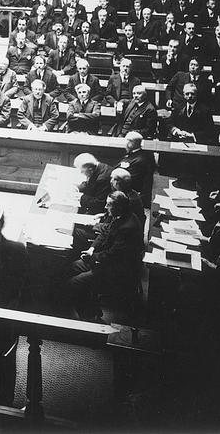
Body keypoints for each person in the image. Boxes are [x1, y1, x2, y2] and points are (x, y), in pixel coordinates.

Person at [65, 191, 143, 321]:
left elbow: (113, 255)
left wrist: (93, 257)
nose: (105, 208)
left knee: (75, 284)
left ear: (119, 207)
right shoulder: (120, 215)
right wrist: (91, 249)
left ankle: (89, 317)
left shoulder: (127, 227)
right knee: (72, 266)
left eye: (109, 205)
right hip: (104, 260)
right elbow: (105, 233)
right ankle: (91, 305)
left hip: (115, 269)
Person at [117, 132, 155, 206]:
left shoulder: (139, 161)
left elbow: (126, 180)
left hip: (128, 191)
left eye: (126, 141)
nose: (124, 145)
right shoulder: (140, 154)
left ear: (131, 143)